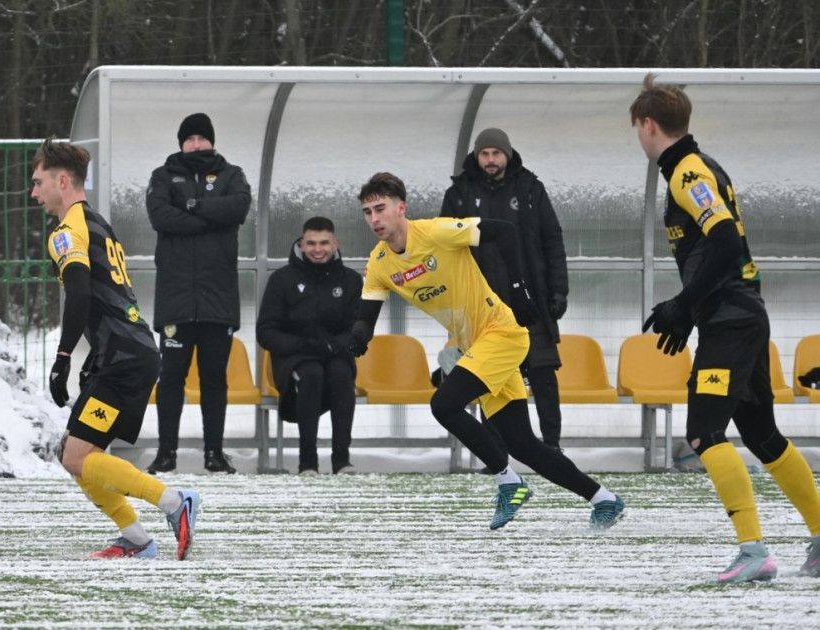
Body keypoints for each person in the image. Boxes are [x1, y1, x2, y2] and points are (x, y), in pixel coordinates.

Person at [350, 172, 624, 531]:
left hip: (502, 335)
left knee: (443, 404)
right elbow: (365, 318)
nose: (374, 219)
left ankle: (507, 481)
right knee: (523, 444)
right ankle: (605, 500)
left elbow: (504, 232)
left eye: (380, 209)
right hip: (477, 347)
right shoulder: (380, 264)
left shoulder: (435, 232)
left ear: (401, 208)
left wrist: (518, 290)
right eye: (367, 212)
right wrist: (356, 338)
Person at [631, 74, 820, 583]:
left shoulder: (688, 171)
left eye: (637, 128)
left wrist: (683, 303)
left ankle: (754, 551)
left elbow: (726, 241)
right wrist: (688, 311)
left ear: (648, 125)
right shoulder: (692, 166)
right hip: (737, 316)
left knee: (703, 432)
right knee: (762, 435)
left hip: (731, 319)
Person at [33, 138, 199, 560]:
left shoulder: (67, 230)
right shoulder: (97, 223)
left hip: (124, 357)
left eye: (38, 183)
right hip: (126, 352)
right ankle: (136, 540)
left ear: (63, 180)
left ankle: (173, 501)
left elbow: (82, 293)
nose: (34, 193)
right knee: (74, 451)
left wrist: (64, 357)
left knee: (76, 456)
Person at [440, 128, 569, 454]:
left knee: (543, 373)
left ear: (507, 155)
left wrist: (559, 290)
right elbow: (444, 246)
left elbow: (552, 239)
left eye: (496, 153)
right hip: (482, 303)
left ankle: (551, 445)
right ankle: (495, 450)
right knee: (490, 376)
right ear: (477, 156)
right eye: (485, 154)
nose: (491, 160)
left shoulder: (529, 189)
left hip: (530, 298)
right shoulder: (460, 193)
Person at [144, 113, 252, 475]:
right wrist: (210, 219)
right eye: (188, 138)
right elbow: (159, 215)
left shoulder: (231, 174)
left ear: (211, 141)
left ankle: (214, 453)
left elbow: (237, 207)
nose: (195, 144)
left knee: (214, 379)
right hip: (175, 299)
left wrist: (190, 206)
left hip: (218, 299)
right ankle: (166, 453)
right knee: (171, 377)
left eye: (201, 138)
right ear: (180, 143)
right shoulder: (163, 175)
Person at [257, 216, 362, 475]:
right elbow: (266, 332)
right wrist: (302, 345)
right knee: (311, 374)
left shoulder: (350, 280)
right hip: (295, 357)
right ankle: (307, 462)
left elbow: (358, 328)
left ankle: (342, 460)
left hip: (335, 353)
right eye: (311, 243)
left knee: (341, 373)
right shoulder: (282, 279)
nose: (318, 249)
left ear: (335, 243)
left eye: (324, 242)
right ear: (301, 244)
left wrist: (334, 345)